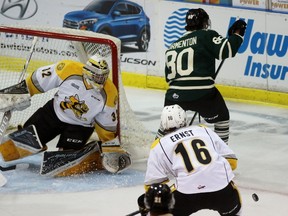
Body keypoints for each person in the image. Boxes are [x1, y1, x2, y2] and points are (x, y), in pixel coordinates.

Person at [0, 54, 131, 176]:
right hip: (52, 114)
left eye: (103, 77)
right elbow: (39, 80)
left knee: (63, 165)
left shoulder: (109, 92)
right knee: (17, 145)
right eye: (97, 77)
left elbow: (106, 124)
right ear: (88, 72)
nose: (101, 80)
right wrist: (20, 93)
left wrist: (109, 146)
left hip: (80, 127)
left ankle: (94, 153)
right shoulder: (68, 69)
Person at [156, 8, 247, 144]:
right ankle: (222, 153)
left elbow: (168, 77)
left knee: (167, 124)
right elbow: (227, 50)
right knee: (222, 118)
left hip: (173, 94)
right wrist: (237, 35)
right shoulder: (206, 35)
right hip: (202, 93)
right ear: (204, 23)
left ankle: (156, 149)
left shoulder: (173, 45)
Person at [140, 105, 242, 215]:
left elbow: (152, 185)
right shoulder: (203, 130)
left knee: (160, 208)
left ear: (163, 124)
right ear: (184, 119)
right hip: (221, 190)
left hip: (187, 194)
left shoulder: (158, 145)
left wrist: (154, 204)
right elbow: (232, 161)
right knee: (235, 207)